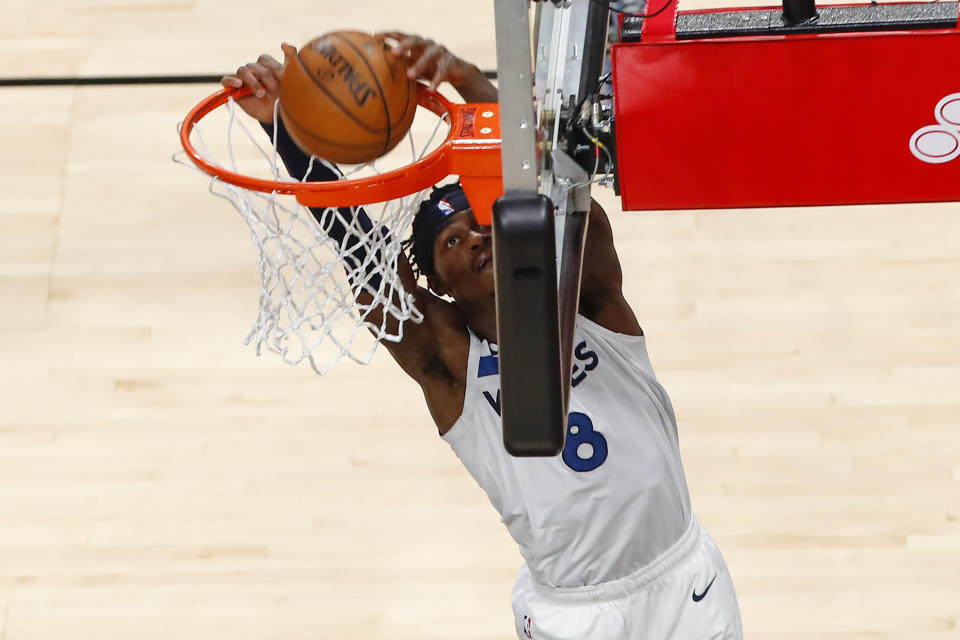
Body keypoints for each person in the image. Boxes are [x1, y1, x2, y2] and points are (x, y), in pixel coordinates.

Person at [222, 32, 743, 640]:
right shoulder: (449, 364)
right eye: (452, 241)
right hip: (576, 613)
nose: (475, 238)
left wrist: (470, 82)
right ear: (435, 280)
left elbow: (565, 199)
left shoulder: (589, 301)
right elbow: (363, 258)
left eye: (483, 223)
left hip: (684, 580)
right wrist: (290, 130)